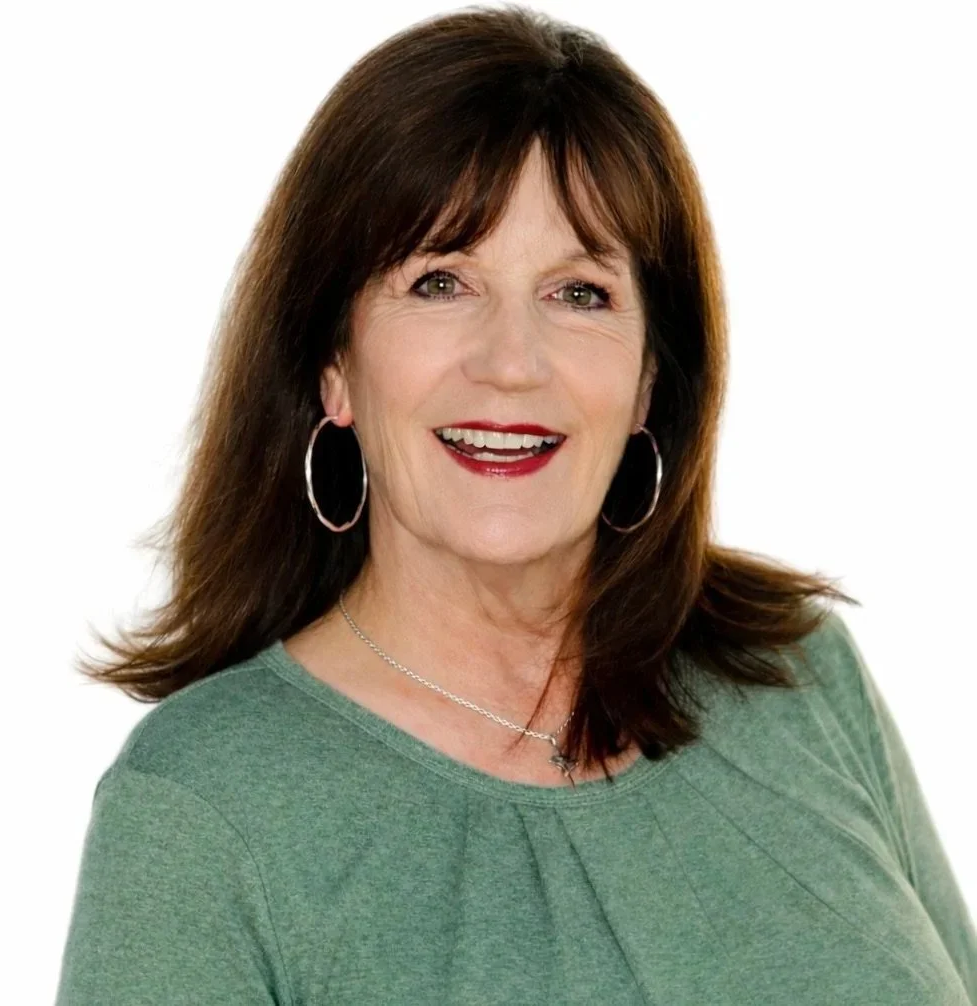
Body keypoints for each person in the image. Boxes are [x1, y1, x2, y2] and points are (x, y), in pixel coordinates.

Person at [54, 6, 976, 1004]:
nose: (511, 363)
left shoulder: (796, 676)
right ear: (334, 369)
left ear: (649, 382)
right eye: (441, 280)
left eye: (578, 292)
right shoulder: (199, 808)